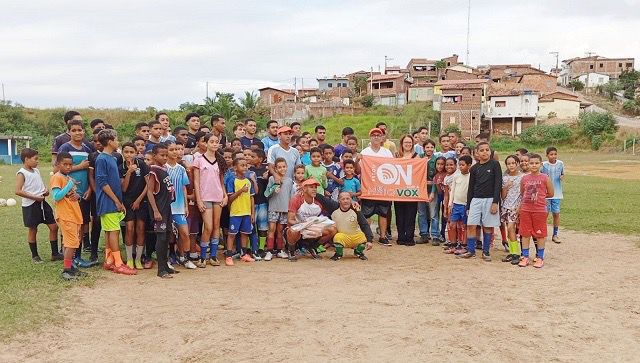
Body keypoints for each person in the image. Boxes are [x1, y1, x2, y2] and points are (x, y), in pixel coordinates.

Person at [95, 129, 136, 275]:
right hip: (108, 202)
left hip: (113, 201)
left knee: (109, 231)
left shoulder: (111, 158)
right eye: (116, 139)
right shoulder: (102, 159)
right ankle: (118, 263)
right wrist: (116, 201)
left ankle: (109, 260)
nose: (117, 141)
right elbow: (102, 182)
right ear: (110, 141)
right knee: (114, 231)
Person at [457, 142, 502, 261]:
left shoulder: (495, 165)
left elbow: (498, 184)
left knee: (487, 226)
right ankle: (471, 250)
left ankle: (486, 251)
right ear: (477, 153)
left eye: (487, 149)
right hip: (476, 200)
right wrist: (468, 205)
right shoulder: (474, 168)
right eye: (481, 150)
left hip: (490, 199)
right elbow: (471, 188)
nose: (485, 152)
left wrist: (495, 202)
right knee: (471, 224)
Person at [57, 119, 93, 266]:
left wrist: (90, 188)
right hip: (70, 196)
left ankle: (77, 257)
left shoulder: (87, 148)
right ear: (69, 132)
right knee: (71, 227)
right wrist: (80, 166)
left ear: (84, 131)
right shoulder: (64, 148)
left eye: (80, 130)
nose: (78, 133)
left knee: (82, 225)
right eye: (74, 130)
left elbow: (91, 171)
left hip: (84, 193)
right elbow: (59, 170)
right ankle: (70, 260)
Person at [16, 148, 61, 263]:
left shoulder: (36, 171)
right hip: (30, 206)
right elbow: (18, 191)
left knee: (54, 227)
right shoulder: (22, 173)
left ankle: (55, 253)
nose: (37, 161)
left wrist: (45, 190)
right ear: (26, 159)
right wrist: (35, 197)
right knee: (33, 229)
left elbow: (41, 186)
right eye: (35, 159)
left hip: (42, 203)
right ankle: (35, 255)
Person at [193, 134, 228, 267]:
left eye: (216, 142)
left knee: (216, 226)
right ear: (205, 143)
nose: (214, 144)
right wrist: (199, 200)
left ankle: (213, 256)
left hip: (218, 196)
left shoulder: (220, 160)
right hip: (205, 197)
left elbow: (221, 181)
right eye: (211, 142)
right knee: (207, 227)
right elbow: (196, 181)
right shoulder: (199, 159)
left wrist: (225, 195)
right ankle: (203, 256)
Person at [50, 152, 86, 280]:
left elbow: (71, 196)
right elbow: (56, 196)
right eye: (65, 164)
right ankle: (66, 270)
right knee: (71, 243)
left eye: (70, 165)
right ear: (58, 164)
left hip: (74, 214)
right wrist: (70, 185)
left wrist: (77, 196)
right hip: (66, 216)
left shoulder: (67, 178)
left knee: (70, 242)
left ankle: (70, 266)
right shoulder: (57, 177)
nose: (68, 167)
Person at [285, 178, 336, 261]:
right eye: (311, 187)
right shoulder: (296, 199)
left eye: (315, 187)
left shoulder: (319, 201)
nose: (314, 189)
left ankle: (312, 247)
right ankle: (291, 250)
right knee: (293, 231)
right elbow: (290, 220)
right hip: (299, 226)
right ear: (304, 189)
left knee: (332, 230)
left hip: (312, 227)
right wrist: (303, 223)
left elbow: (333, 207)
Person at [359, 127, 394, 246]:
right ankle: (367, 236)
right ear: (370, 137)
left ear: (382, 138)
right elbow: (359, 169)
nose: (376, 137)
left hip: (383, 187)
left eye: (378, 135)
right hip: (369, 187)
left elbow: (392, 167)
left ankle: (383, 236)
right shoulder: (365, 152)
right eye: (373, 135)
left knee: (383, 213)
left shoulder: (387, 152)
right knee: (367, 213)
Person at [518, 153, 554, 268]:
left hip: (539, 210)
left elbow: (551, 193)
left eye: (536, 163)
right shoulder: (524, 178)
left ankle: (540, 257)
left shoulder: (545, 178)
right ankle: (525, 257)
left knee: (540, 234)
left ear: (541, 164)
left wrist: (540, 196)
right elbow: (523, 192)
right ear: (527, 164)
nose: (534, 165)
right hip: (526, 209)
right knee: (525, 234)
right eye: (531, 163)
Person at [147, 144, 177, 278]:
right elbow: (149, 192)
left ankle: (166, 266)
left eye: (166, 155)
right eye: (162, 155)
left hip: (167, 208)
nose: (165, 157)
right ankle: (161, 270)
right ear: (154, 156)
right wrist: (155, 211)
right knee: (161, 237)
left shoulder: (163, 169)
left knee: (167, 237)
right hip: (159, 209)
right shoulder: (154, 171)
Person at [120, 142, 149, 270]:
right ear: (122, 152)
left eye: (132, 152)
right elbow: (124, 188)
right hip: (127, 201)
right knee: (130, 228)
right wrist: (129, 173)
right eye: (126, 152)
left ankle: (138, 259)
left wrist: (139, 200)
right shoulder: (120, 167)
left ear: (136, 153)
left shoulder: (142, 165)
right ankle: (130, 259)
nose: (129, 155)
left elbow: (149, 185)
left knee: (141, 228)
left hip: (141, 200)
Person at [166, 143, 195, 269]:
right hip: (166, 207)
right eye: (171, 150)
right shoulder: (163, 168)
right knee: (168, 234)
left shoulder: (181, 169)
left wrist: (186, 206)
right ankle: (169, 256)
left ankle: (186, 258)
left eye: (176, 149)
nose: (174, 152)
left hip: (179, 207)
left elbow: (183, 187)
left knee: (184, 232)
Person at [224, 157, 256, 265]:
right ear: (235, 167)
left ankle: (244, 254)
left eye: (246, 165)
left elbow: (252, 198)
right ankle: (229, 256)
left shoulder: (248, 181)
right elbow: (230, 198)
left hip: (246, 212)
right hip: (236, 212)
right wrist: (241, 191)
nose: (244, 167)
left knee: (245, 234)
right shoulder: (232, 180)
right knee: (232, 234)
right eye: (242, 165)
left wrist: (252, 213)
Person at [264, 157, 296, 260]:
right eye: (279, 167)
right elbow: (266, 194)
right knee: (271, 229)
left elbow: (291, 197)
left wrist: (290, 210)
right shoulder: (271, 179)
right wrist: (273, 189)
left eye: (284, 167)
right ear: (276, 169)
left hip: (285, 209)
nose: (282, 169)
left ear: (287, 167)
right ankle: (269, 251)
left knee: (280, 231)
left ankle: (279, 250)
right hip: (273, 208)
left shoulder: (289, 181)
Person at [329, 192, 374, 260]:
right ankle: (338, 254)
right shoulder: (334, 211)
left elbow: (364, 224)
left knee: (363, 237)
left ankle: (358, 252)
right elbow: (322, 199)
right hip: (344, 237)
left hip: (355, 236)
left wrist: (369, 240)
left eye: (347, 199)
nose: (345, 201)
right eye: (343, 199)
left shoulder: (356, 210)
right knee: (337, 237)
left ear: (351, 200)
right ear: (339, 200)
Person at [393, 135, 419, 246]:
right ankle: (401, 237)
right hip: (398, 191)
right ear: (402, 144)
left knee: (411, 215)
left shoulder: (417, 157)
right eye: (406, 142)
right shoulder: (396, 156)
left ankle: (409, 237)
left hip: (412, 191)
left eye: (410, 142)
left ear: (412, 143)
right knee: (399, 214)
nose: (408, 144)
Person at [445, 155, 472, 255]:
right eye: (459, 165)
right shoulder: (456, 176)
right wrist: (449, 204)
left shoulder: (471, 177)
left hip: (465, 205)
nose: (461, 167)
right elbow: (452, 191)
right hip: (455, 204)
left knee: (464, 225)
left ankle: (464, 245)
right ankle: (453, 244)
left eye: (463, 165)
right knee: (452, 225)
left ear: (469, 165)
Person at [500, 155, 523, 263]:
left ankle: (516, 254)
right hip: (506, 206)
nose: (511, 165)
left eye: (513, 163)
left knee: (511, 228)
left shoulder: (522, 177)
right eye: (509, 164)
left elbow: (524, 193)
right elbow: (503, 196)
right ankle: (512, 252)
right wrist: (506, 186)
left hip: (515, 207)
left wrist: (520, 206)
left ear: (517, 163)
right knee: (509, 231)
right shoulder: (505, 178)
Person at [542, 146, 564, 244]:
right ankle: (543, 233)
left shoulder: (560, 164)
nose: (553, 156)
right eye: (551, 154)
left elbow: (563, 174)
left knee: (556, 213)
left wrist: (562, 177)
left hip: (557, 193)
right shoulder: (543, 165)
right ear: (547, 155)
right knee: (544, 214)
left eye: (555, 154)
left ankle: (555, 234)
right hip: (546, 194)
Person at [249, 148, 269, 255]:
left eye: (253, 157)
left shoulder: (266, 171)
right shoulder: (248, 169)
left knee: (262, 226)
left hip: (262, 202)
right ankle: (249, 247)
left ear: (260, 159)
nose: (250, 158)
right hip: (251, 202)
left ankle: (261, 248)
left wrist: (267, 177)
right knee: (250, 225)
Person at [417, 139, 437, 243]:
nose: (429, 149)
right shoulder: (419, 158)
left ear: (434, 148)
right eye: (427, 147)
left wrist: (433, 189)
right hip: (420, 190)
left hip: (432, 190)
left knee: (433, 213)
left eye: (431, 147)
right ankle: (424, 234)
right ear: (424, 148)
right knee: (421, 213)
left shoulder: (436, 159)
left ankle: (435, 235)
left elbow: (437, 177)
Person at [429, 157, 447, 245]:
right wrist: (432, 193)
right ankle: (435, 235)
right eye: (438, 164)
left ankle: (443, 234)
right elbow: (434, 185)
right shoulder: (436, 176)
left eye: (442, 164)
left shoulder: (447, 174)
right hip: (438, 195)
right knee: (434, 214)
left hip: (447, 196)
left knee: (445, 215)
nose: (439, 166)